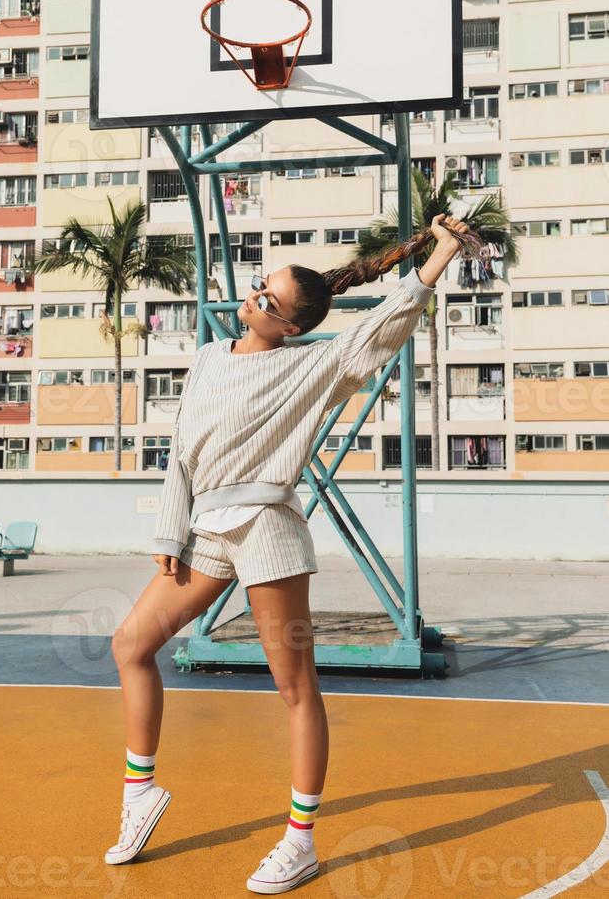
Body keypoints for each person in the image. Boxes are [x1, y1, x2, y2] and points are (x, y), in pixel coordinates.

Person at [105, 214, 474, 892]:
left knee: (294, 689)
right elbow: (183, 449)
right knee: (130, 645)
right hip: (209, 531)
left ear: (292, 326)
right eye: (257, 288)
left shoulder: (312, 363)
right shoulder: (212, 357)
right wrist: (169, 530)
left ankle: (300, 841)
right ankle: (140, 797)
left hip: (269, 529)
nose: (253, 300)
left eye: (268, 301)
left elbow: (380, 328)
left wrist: (438, 256)